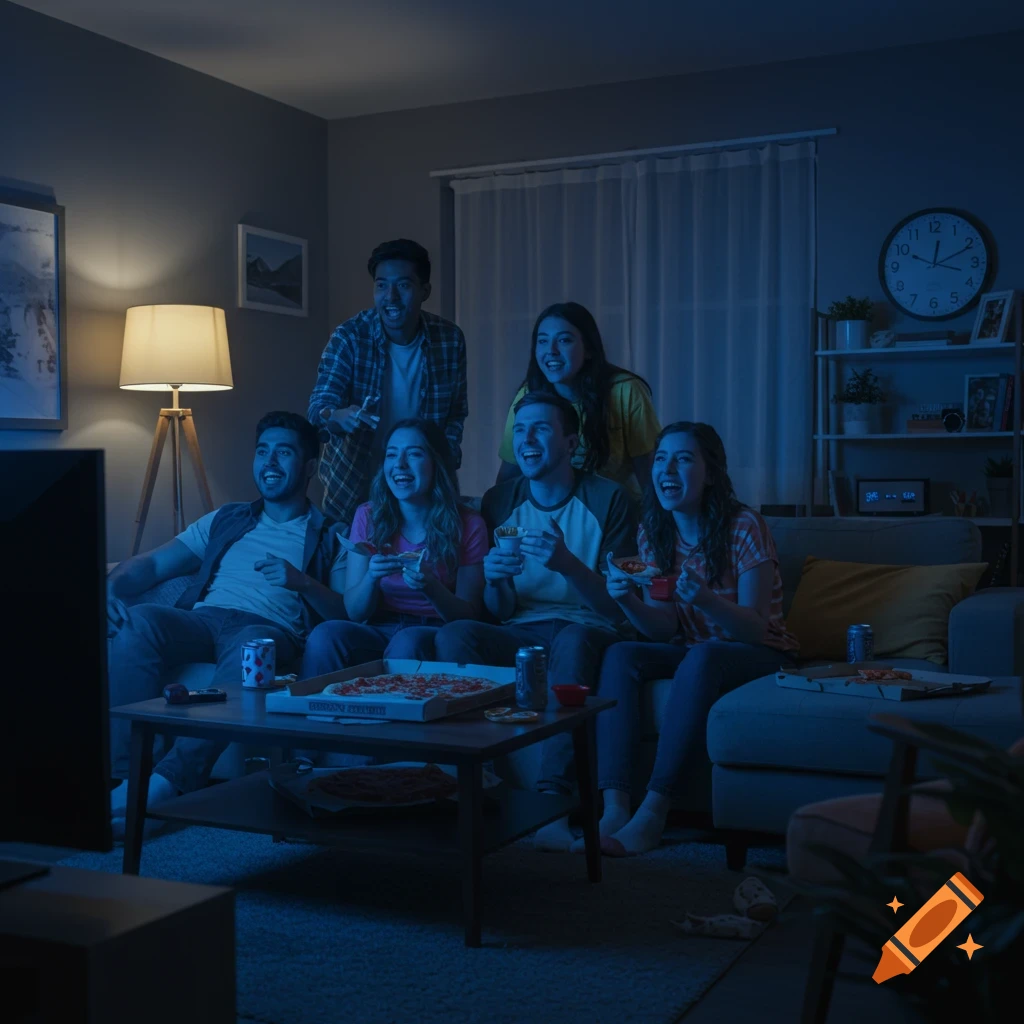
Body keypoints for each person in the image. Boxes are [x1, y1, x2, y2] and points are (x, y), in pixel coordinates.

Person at [105, 412, 347, 834]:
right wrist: (108, 587)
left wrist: (303, 582)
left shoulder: (330, 534)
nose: (269, 462)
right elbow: (154, 564)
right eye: (262, 451)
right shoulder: (227, 518)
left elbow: (346, 613)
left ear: (309, 467)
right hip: (202, 620)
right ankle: (127, 780)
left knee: (252, 650)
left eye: (284, 452)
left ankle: (170, 782)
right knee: (138, 622)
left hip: (265, 628)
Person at [433, 391, 637, 850]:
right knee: (455, 634)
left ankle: (551, 804)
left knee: (573, 638)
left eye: (540, 428)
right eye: (519, 430)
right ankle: (479, 782)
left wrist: (569, 565)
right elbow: (498, 610)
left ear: (570, 441)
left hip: (586, 629)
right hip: (520, 630)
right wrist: (496, 581)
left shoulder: (609, 499)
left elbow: (617, 609)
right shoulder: (500, 499)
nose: (527, 439)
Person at [591, 422, 799, 856]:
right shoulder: (655, 531)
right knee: (620, 654)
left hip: (761, 654)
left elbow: (756, 627)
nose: (668, 468)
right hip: (692, 649)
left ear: (710, 472)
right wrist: (628, 600)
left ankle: (653, 811)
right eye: (662, 458)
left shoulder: (744, 526)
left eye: (684, 458)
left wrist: (706, 601)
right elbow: (664, 627)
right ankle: (614, 807)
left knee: (704, 657)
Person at [301, 418, 488, 674]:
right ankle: (321, 712)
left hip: (432, 629)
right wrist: (371, 577)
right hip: (379, 625)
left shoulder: (469, 523)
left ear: (437, 464)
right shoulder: (368, 515)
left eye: (413, 454)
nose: (399, 464)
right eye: (391, 455)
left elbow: (469, 617)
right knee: (325, 635)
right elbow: (354, 612)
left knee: (407, 642)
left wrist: (432, 588)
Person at [309, 238, 468, 525]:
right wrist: (337, 416)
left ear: (424, 291)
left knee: (434, 563)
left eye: (403, 285)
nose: (390, 297)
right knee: (355, 565)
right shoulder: (350, 337)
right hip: (356, 481)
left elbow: (456, 412)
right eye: (381, 285)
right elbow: (320, 406)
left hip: (425, 482)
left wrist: (446, 456)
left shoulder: (449, 339)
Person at [496, 302, 660, 502]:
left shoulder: (625, 390)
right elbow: (508, 474)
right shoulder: (529, 394)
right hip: (551, 514)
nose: (551, 350)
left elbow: (648, 469)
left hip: (616, 511)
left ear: (589, 349)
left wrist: (655, 525)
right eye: (543, 341)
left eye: (564, 340)